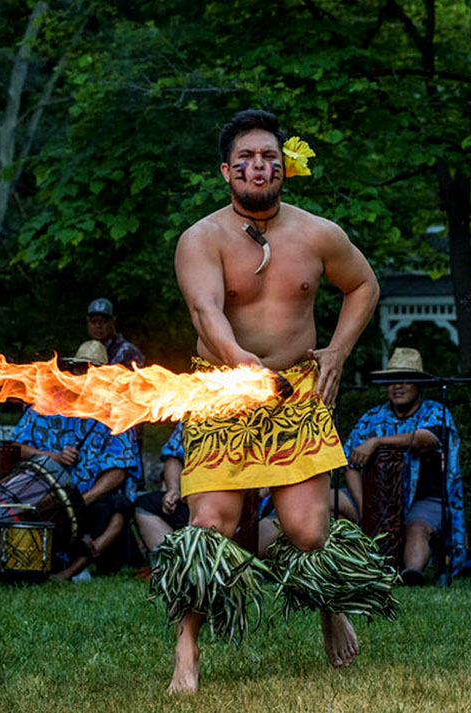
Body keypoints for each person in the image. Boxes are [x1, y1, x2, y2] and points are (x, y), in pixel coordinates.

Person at [155, 108, 394, 695]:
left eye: (268, 157)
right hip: (223, 391)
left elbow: (364, 285)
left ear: (284, 165)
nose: (258, 167)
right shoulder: (201, 239)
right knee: (210, 525)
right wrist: (239, 361)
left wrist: (336, 351)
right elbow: (206, 311)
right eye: (245, 160)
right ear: (226, 171)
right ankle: (186, 649)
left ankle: (328, 606)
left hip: (296, 397)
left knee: (309, 531)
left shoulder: (318, 233)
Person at [11, 340, 141, 580]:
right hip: (44, 496)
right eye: (82, 368)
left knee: (118, 508)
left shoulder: (116, 414)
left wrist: (81, 501)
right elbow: (15, 448)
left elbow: (119, 470)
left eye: (94, 369)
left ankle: (72, 571)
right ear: (74, 370)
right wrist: (54, 457)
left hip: (89, 501)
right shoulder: (46, 404)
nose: (87, 374)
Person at [342, 347, 465, 585]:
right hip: (375, 497)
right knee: (325, 501)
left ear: (418, 384)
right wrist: (365, 509)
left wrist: (376, 442)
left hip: (425, 499)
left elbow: (424, 439)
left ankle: (410, 575)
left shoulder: (436, 412)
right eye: (391, 380)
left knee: (417, 527)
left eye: (405, 380)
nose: (397, 386)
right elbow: (350, 465)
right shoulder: (372, 417)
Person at [133, 423, 190, 557]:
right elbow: (174, 455)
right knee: (145, 505)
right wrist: (173, 489)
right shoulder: (194, 416)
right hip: (188, 499)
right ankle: (173, 565)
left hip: (228, 504)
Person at [86, 297, 145, 367]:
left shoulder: (127, 352)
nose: (98, 326)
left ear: (113, 322)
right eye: (94, 321)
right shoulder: (86, 352)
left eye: (103, 321)